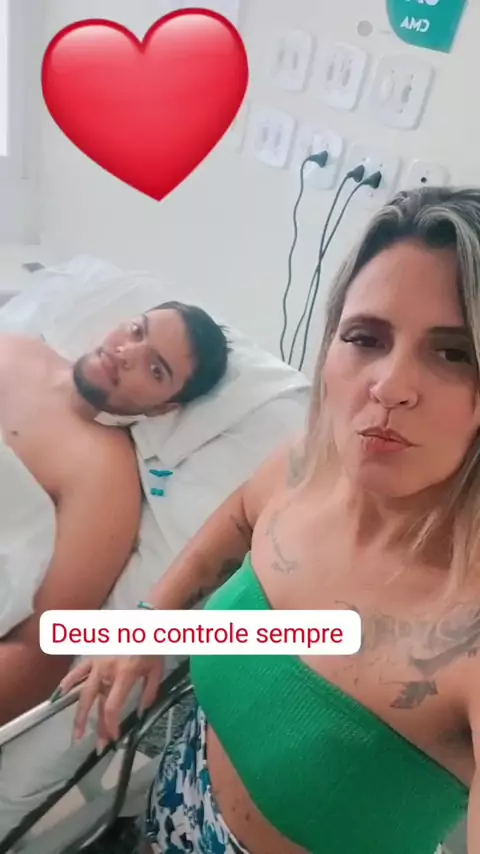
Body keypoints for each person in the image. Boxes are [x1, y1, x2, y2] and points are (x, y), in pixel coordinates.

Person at [59, 186, 480, 854]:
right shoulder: (305, 465)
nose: (390, 385)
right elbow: (235, 520)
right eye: (366, 337)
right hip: (179, 795)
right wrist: (149, 622)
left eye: (454, 353)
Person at [0, 300, 229, 724]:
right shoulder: (15, 349)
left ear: (163, 408)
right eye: (137, 330)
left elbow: (39, 656)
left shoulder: (104, 475)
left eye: (155, 369)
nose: (127, 352)